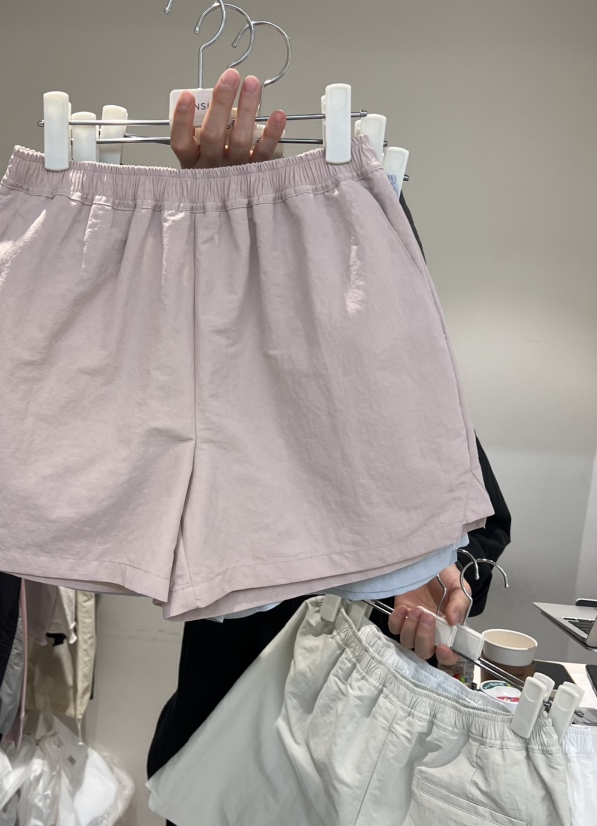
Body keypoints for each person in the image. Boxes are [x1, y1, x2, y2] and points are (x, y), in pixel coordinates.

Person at [148, 69, 512, 810]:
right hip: (227, 726)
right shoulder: (217, 380)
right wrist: (211, 214)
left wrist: (433, 573)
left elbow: (483, 519)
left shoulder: (406, 390)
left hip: (357, 748)